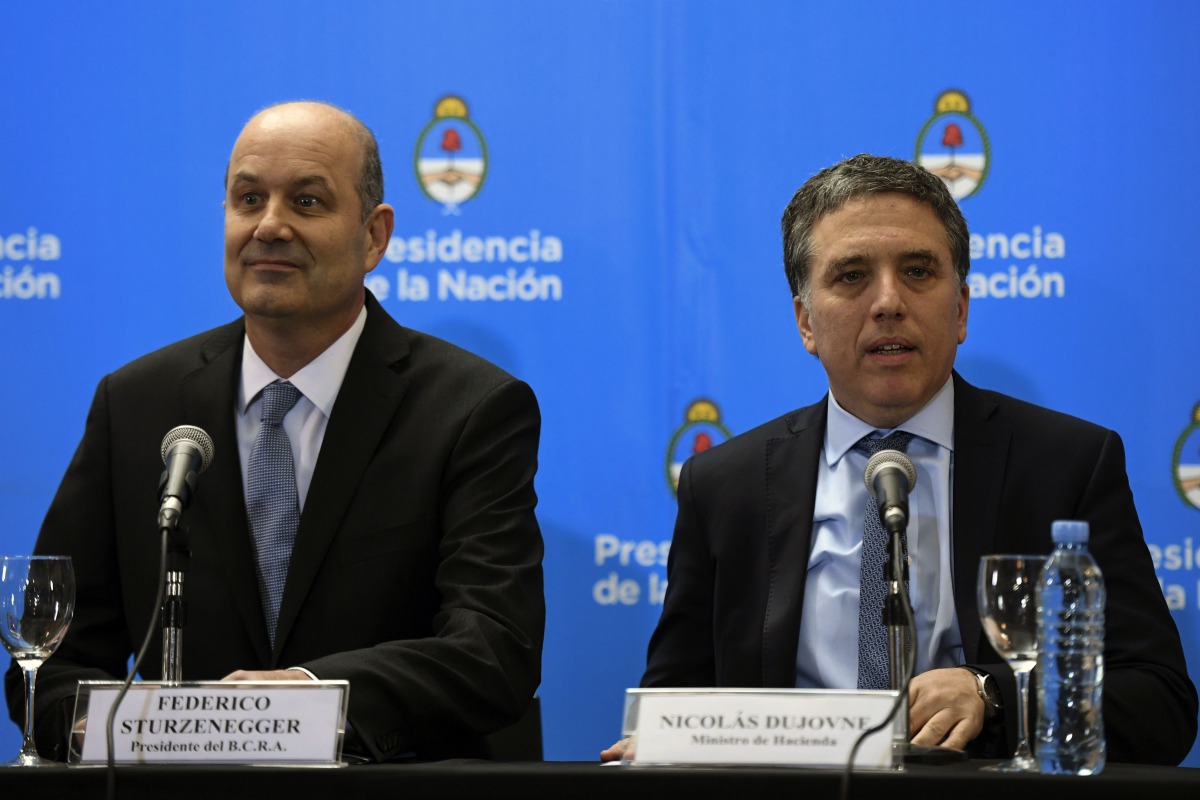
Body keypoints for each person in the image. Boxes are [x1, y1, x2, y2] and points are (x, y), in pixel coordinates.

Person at [603, 154, 1196, 763]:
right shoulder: (725, 484)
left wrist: (990, 693)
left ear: (960, 308)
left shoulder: (1066, 465)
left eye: (917, 271)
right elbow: (675, 702)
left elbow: (1159, 705)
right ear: (806, 321)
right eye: (852, 276)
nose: (888, 301)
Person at [4, 101, 545, 763]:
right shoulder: (137, 403)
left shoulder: (471, 409)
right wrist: (94, 724)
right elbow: (51, 660)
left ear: (373, 236)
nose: (269, 226)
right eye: (249, 198)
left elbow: (491, 650)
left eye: (308, 202)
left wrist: (305, 697)